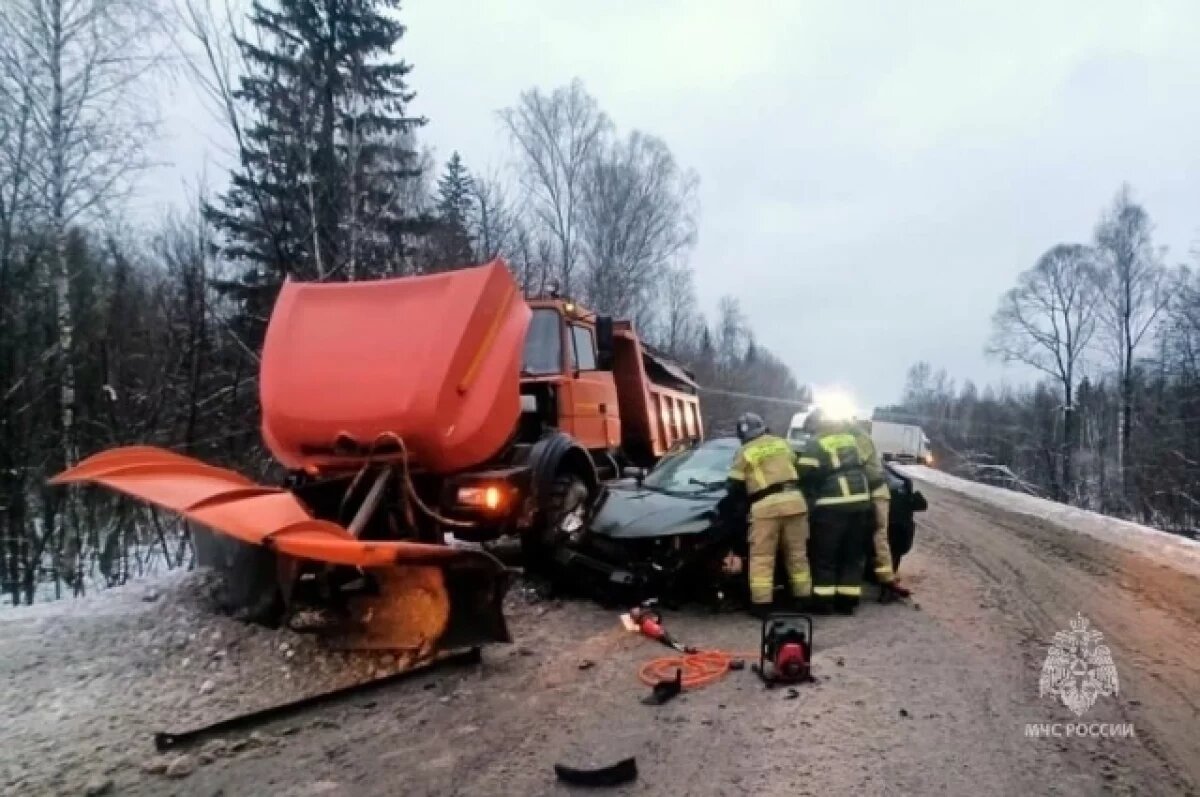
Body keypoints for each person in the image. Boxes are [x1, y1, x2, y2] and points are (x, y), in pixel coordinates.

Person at [726, 412, 811, 617]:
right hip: (795, 502)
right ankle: (803, 599)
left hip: (766, 506)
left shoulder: (744, 451)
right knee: (797, 554)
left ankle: (762, 605)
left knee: (762, 557)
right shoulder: (782, 443)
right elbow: (795, 466)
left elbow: (734, 486)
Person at [796, 408, 880, 615]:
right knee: (852, 554)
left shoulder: (816, 444)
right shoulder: (849, 439)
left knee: (825, 555)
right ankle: (847, 601)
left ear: (816, 426)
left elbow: (805, 474)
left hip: (833, 505)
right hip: (861, 503)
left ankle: (823, 603)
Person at [849, 421, 912, 602]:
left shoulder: (860, 438)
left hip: (876, 493)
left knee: (879, 536)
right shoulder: (845, 437)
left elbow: (851, 463)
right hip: (860, 493)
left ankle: (887, 581)